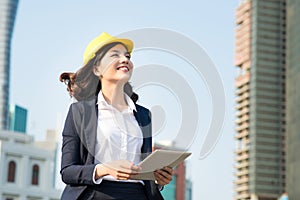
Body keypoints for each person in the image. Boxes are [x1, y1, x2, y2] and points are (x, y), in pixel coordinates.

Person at [59, 32, 173, 200]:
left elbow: (143, 167)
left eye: (127, 56)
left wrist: (158, 178)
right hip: (95, 194)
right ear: (97, 69)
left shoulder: (143, 114)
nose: (124, 59)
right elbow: (67, 171)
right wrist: (105, 169)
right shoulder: (80, 112)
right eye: (115, 55)